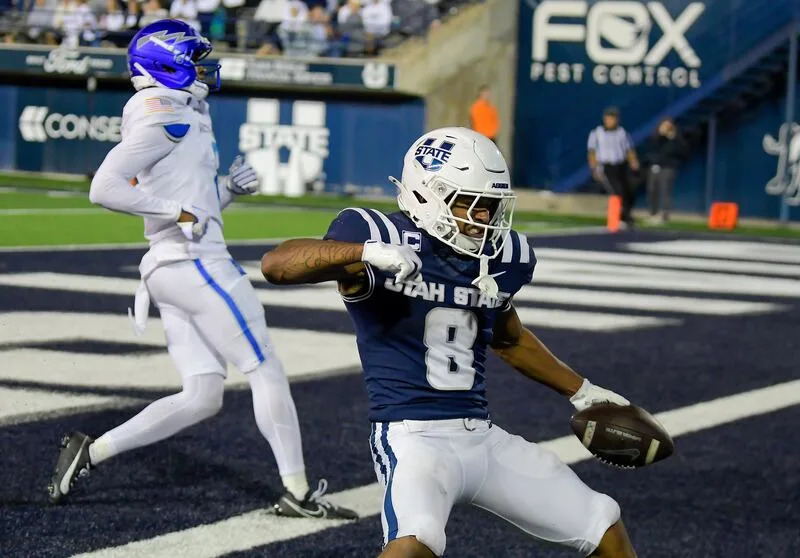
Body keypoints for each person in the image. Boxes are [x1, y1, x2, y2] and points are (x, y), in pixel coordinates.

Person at [261, 127, 638, 557]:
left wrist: (583, 392)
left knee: (602, 520)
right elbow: (276, 266)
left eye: (490, 208)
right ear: (428, 194)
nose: (483, 220)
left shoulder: (499, 258)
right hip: (413, 438)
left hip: (482, 437)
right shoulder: (375, 234)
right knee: (416, 541)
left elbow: (509, 338)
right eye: (470, 205)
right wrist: (362, 254)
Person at [48, 19, 357, 522]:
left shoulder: (176, 110)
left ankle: (91, 452)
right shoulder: (164, 115)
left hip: (171, 268)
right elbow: (104, 187)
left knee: (203, 395)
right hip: (195, 264)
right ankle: (297, 493)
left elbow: (192, 202)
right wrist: (177, 212)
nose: (203, 67)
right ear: (167, 65)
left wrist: (225, 192)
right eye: (192, 59)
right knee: (265, 368)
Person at [587, 107, 640, 229]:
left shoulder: (622, 132)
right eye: (609, 118)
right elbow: (592, 152)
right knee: (617, 192)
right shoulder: (596, 133)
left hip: (621, 166)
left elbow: (628, 149)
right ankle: (617, 219)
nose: (611, 120)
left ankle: (626, 216)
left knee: (628, 191)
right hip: (606, 166)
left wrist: (633, 161)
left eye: (613, 118)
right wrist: (594, 168)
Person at [644, 117, 687, 224]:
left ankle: (664, 216)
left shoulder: (676, 140)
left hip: (668, 167)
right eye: (664, 125)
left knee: (665, 192)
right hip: (655, 167)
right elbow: (651, 150)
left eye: (669, 126)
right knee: (652, 190)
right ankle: (653, 214)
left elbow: (679, 151)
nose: (666, 128)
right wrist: (660, 136)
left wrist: (672, 138)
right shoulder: (655, 138)